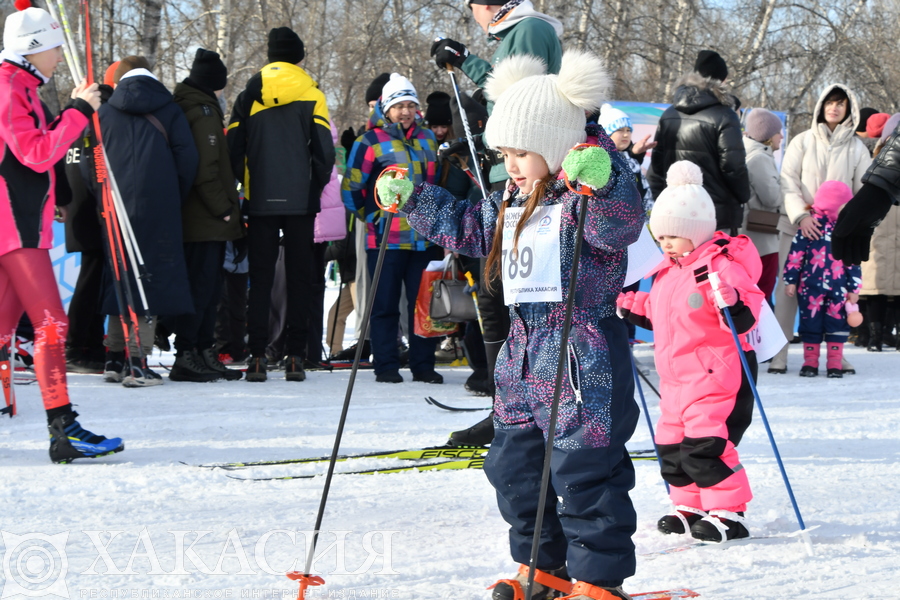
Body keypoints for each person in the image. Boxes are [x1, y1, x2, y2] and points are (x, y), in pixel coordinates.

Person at [393, 50, 644, 600]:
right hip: (523, 351)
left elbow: (621, 224)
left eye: (520, 153)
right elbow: (471, 228)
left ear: (555, 149)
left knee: (584, 471)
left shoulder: (589, 192)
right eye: (503, 153)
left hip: (582, 355)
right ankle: (543, 567)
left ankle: (598, 580)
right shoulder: (512, 197)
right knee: (514, 467)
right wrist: (415, 199)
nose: (509, 164)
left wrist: (598, 177)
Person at [431, 0, 564, 446]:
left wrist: (469, 72)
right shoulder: (520, 33)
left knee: (503, 293)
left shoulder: (525, 30)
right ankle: (509, 408)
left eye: (473, 6)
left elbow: (519, 107)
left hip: (517, 184)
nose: (474, 15)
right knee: (496, 291)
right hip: (505, 178)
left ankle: (516, 411)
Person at [0, 5, 123, 462]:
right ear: (34, 49)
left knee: (3, 330)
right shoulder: (9, 86)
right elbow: (34, 153)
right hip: (14, 224)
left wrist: (70, 110)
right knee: (52, 324)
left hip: (21, 219)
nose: (57, 56)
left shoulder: (22, 86)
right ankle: (64, 428)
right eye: (53, 48)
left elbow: (31, 150)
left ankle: (64, 427)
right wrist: (77, 111)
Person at [618, 161, 764, 543]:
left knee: (706, 445)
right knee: (671, 446)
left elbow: (749, 314)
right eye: (660, 235)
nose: (665, 243)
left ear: (696, 232)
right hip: (675, 379)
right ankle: (689, 505)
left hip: (716, 373)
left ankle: (729, 512)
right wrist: (630, 305)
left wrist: (732, 302)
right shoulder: (667, 271)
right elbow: (658, 312)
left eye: (673, 235)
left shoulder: (718, 267)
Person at [227, 26, 335, 382]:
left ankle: (257, 356)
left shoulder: (248, 94)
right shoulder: (312, 92)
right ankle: (294, 357)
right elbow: (324, 151)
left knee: (259, 280)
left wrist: (244, 185)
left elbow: (233, 147)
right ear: (299, 56)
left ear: (270, 54)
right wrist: (313, 188)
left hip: (259, 199)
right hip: (300, 201)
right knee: (300, 279)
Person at [97, 56, 199, 387]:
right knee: (149, 276)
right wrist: (172, 195)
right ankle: (137, 361)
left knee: (119, 274)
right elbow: (188, 159)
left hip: (114, 204)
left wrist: (102, 198)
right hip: (158, 205)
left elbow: (93, 160)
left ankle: (114, 357)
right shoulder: (169, 110)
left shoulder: (105, 111)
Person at [341, 73, 444, 384]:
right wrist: (372, 216)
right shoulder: (369, 142)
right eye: (399, 106)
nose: (405, 111)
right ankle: (385, 364)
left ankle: (423, 364)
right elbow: (351, 187)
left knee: (423, 304)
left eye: (410, 105)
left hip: (423, 237)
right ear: (385, 109)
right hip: (385, 238)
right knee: (384, 303)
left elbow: (435, 182)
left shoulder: (427, 138)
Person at [771, 84, 871, 374]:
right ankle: (781, 350)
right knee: (788, 291)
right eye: (830, 102)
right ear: (820, 106)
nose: (834, 108)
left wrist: (850, 224)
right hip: (798, 228)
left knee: (838, 295)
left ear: (848, 109)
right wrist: (801, 215)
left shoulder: (856, 147)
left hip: (838, 234)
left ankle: (836, 354)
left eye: (841, 104)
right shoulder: (802, 141)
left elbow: (863, 189)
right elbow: (787, 181)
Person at [169, 48, 244, 382]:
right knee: (202, 289)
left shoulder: (193, 107)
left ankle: (201, 349)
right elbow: (206, 169)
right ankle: (188, 352)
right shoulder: (202, 112)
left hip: (200, 219)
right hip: (205, 220)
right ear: (215, 84)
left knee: (208, 289)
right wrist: (225, 210)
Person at [647, 50, 750, 234]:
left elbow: (657, 167)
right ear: (722, 80)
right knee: (714, 262)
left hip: (675, 210)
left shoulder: (669, 114)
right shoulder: (725, 115)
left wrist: (661, 200)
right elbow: (734, 167)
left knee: (679, 262)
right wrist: (743, 196)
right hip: (714, 214)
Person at [782, 181, 861, 377]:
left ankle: (834, 363)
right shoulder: (810, 227)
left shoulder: (846, 231)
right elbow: (795, 255)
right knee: (810, 323)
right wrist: (790, 279)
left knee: (837, 323)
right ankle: (810, 362)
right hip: (810, 288)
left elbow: (853, 261)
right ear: (832, 205)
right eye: (843, 206)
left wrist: (854, 288)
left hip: (838, 288)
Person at [739, 108, 784, 301]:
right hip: (761, 239)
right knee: (762, 294)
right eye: (777, 132)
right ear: (767, 135)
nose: (781, 136)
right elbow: (772, 198)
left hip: (755, 236)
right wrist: (786, 186)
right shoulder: (759, 159)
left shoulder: (753, 155)